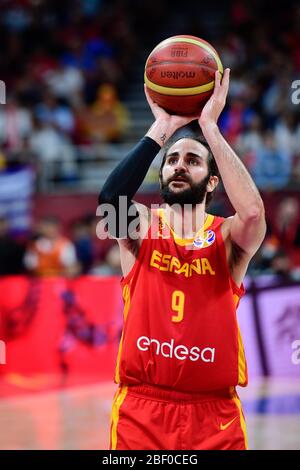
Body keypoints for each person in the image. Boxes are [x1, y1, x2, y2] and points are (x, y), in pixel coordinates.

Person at [99, 69, 266, 450]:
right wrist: (161, 129)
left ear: (211, 181)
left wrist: (209, 128)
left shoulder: (227, 237)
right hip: (141, 411)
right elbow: (110, 202)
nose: (178, 165)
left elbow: (254, 215)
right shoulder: (141, 227)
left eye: (192, 161)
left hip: (214, 414)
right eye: (173, 159)